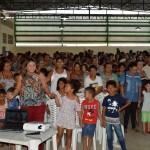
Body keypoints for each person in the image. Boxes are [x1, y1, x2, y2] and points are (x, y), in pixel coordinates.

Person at [12, 58, 59, 150]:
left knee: (38, 127)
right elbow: (17, 89)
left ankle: (38, 147)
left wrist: (49, 94)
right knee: (27, 127)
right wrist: (12, 95)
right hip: (26, 105)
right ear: (26, 66)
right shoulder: (21, 76)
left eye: (34, 65)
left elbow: (45, 86)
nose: (32, 67)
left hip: (39, 104)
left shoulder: (40, 75)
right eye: (30, 65)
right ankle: (29, 146)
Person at [102, 80, 131, 150]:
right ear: (106, 89)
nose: (110, 89)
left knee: (120, 135)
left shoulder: (118, 97)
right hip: (107, 119)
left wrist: (120, 109)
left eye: (112, 87)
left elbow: (128, 102)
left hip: (116, 120)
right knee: (109, 135)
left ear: (115, 88)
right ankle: (110, 148)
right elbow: (103, 110)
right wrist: (103, 120)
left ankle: (124, 148)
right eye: (108, 87)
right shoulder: (106, 98)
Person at [56, 79, 82, 150]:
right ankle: (55, 148)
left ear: (72, 89)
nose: (65, 87)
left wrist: (80, 119)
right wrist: (56, 97)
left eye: (67, 86)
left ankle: (68, 148)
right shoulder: (63, 95)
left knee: (68, 135)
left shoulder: (76, 98)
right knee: (59, 135)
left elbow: (78, 109)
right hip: (62, 117)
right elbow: (58, 104)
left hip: (70, 119)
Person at [120, 62, 142, 133]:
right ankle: (125, 127)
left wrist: (139, 96)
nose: (135, 71)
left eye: (136, 70)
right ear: (130, 68)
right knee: (127, 113)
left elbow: (139, 86)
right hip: (127, 97)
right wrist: (123, 95)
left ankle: (133, 127)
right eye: (133, 70)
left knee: (134, 112)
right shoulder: (125, 74)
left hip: (135, 97)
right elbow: (121, 85)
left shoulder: (137, 75)